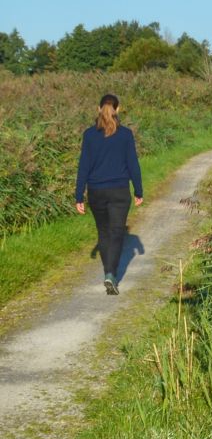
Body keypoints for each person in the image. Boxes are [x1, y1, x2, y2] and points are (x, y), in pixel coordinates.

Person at [75, 93, 144, 295]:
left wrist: (79, 196)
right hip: (120, 191)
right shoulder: (125, 134)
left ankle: (109, 273)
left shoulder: (89, 135)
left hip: (96, 192)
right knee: (116, 233)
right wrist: (138, 190)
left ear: (98, 109)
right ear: (118, 109)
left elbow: (83, 166)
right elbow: (133, 164)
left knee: (104, 233)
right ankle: (111, 274)